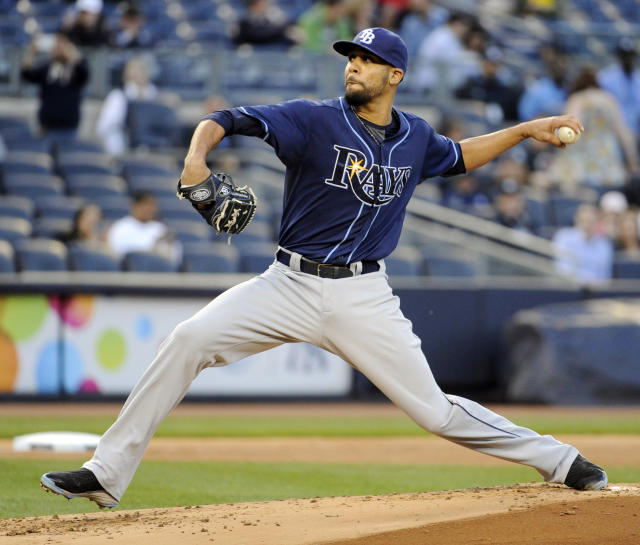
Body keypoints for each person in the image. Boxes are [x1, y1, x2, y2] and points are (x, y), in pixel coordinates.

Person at [41, 27, 607, 509]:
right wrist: (195, 159)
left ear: (396, 77)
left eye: (368, 61)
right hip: (286, 283)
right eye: (351, 59)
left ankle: (558, 460)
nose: (355, 67)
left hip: (363, 297)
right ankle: (106, 473)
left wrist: (520, 131)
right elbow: (226, 119)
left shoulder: (415, 137)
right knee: (188, 339)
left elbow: (458, 156)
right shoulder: (312, 121)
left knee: (434, 411)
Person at [549, 66, 639, 192]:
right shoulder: (609, 99)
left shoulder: (578, 99)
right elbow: (624, 132)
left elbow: (570, 129)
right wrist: (632, 161)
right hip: (607, 155)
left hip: (583, 156)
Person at [20, 31, 89, 141]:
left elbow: (84, 75)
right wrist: (31, 52)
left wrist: (72, 55)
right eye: (56, 44)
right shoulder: (47, 67)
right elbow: (27, 75)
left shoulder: (76, 68)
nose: (58, 47)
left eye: (62, 43)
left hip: (69, 126)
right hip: (46, 125)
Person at [95, 56, 159, 156]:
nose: (138, 74)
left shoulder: (154, 96)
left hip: (149, 153)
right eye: (134, 70)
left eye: (142, 69)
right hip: (120, 150)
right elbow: (103, 127)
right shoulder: (118, 97)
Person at [106, 191, 179, 261]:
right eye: (146, 204)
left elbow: (174, 257)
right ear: (135, 205)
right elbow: (118, 254)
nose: (150, 209)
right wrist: (153, 247)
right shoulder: (120, 227)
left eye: (152, 205)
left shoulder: (161, 229)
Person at [552, 203, 614, 285]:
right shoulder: (563, 237)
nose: (587, 225)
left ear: (597, 222)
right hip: (568, 287)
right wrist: (584, 281)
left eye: (591, 222)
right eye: (584, 221)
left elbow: (605, 275)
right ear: (576, 219)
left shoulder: (604, 244)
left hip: (596, 290)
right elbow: (561, 268)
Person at [597, 38, 640, 138]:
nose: (627, 59)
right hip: (613, 132)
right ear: (619, 56)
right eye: (624, 55)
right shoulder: (605, 78)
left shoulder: (638, 78)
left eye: (629, 55)